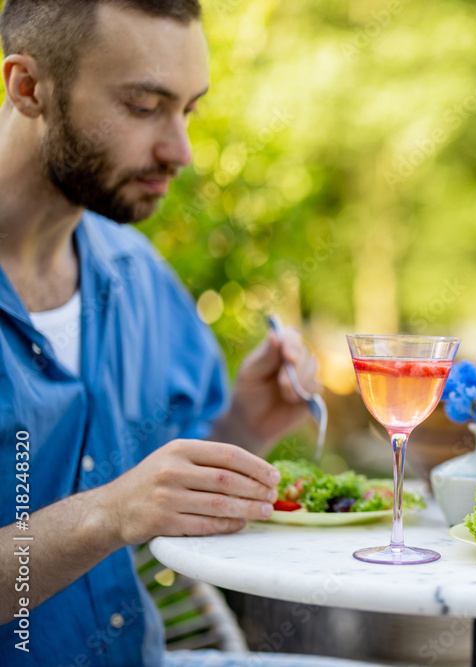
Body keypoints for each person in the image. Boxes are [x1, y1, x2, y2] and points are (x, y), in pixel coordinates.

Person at [0, 1, 327, 665]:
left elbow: (166, 491)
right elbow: (126, 506)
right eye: (145, 106)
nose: (178, 150)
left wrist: (246, 422)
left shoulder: (136, 274)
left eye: (189, 110)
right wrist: (108, 514)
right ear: (28, 88)